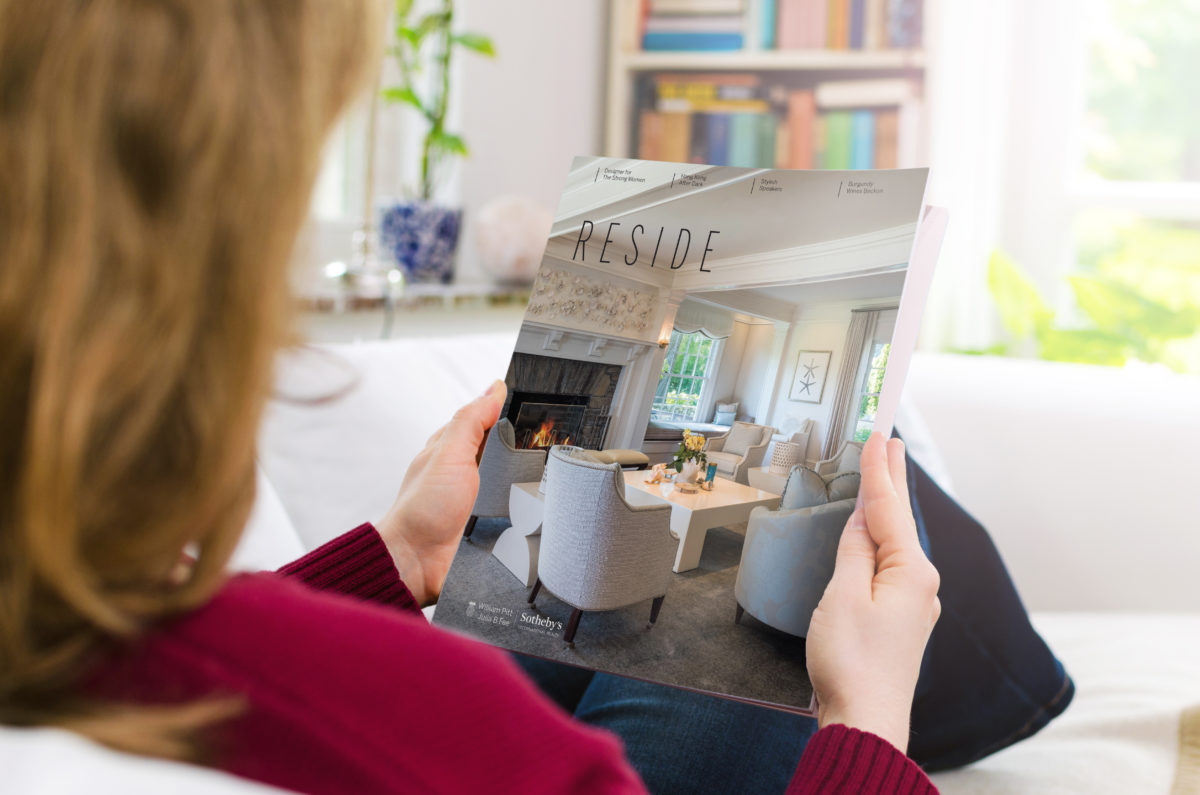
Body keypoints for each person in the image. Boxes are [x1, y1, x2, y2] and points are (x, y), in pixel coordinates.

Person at [0, 1, 943, 792]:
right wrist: (867, 725)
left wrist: (394, 555)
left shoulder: (83, 655)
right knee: (753, 665)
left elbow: (189, 669)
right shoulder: (472, 732)